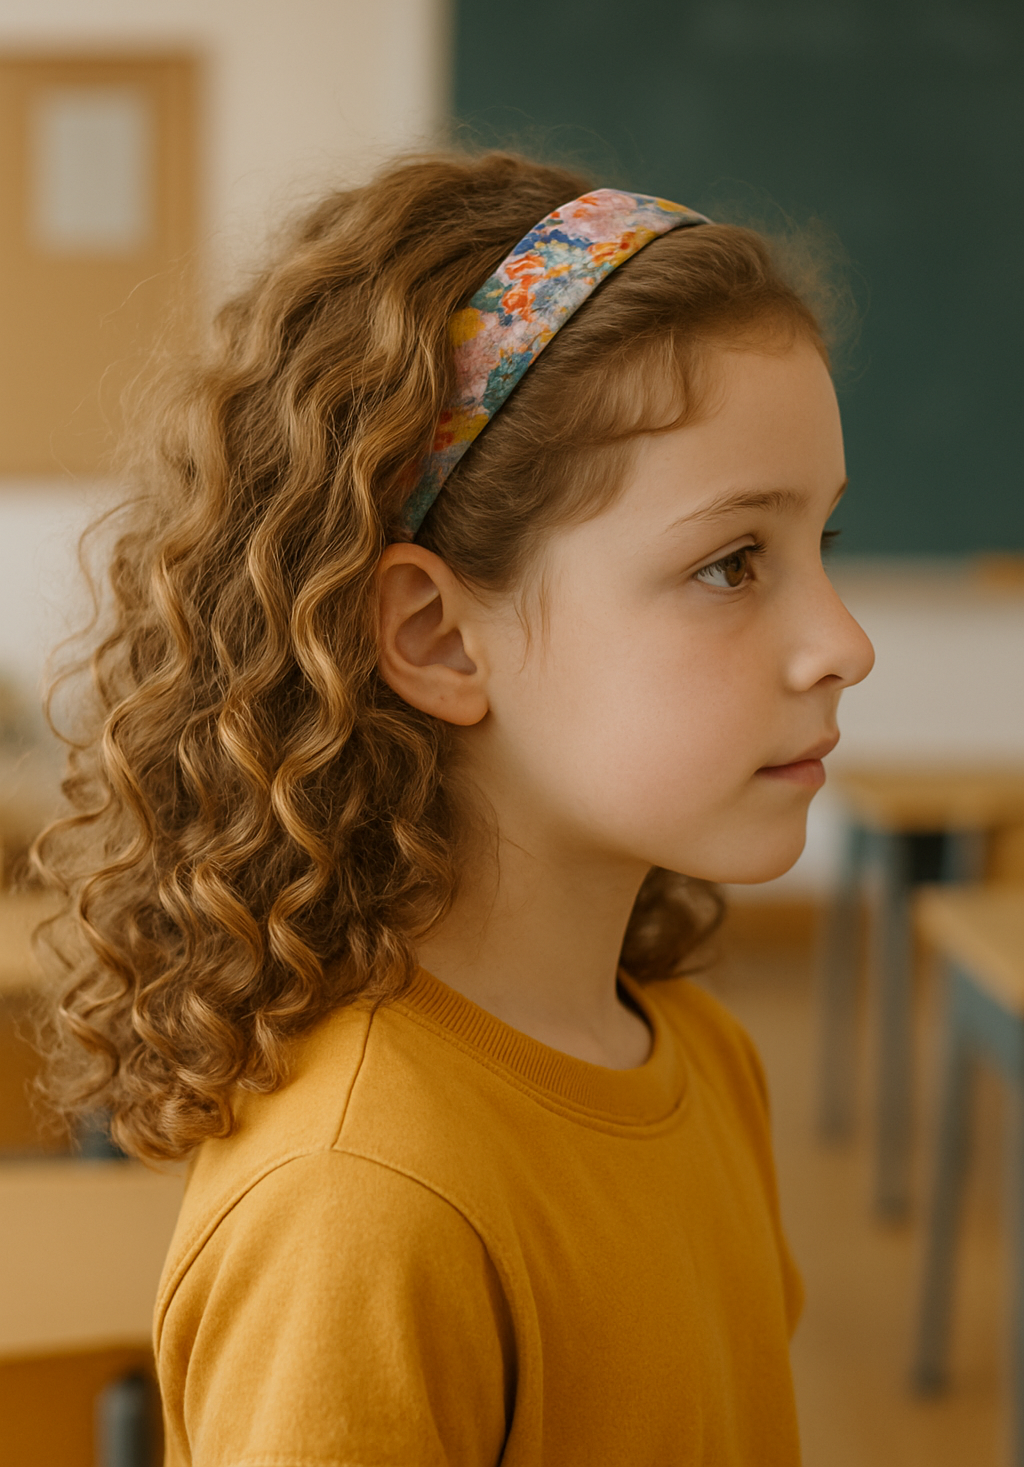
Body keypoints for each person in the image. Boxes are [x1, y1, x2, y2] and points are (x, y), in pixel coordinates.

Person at [36, 151, 874, 1465]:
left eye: (823, 544)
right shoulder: (362, 1204)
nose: (844, 645)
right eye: (732, 563)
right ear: (434, 634)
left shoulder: (704, 1057)